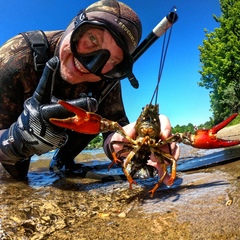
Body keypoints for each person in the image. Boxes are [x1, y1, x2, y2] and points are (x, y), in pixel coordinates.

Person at [0, 0, 179, 185]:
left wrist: (124, 144)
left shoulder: (106, 79)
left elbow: (115, 134)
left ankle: (62, 162)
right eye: (93, 39)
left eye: (112, 60)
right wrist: (17, 140)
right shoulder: (15, 58)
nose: (91, 66)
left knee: (93, 119)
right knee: (13, 183)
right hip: (8, 143)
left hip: (70, 146)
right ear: (74, 25)